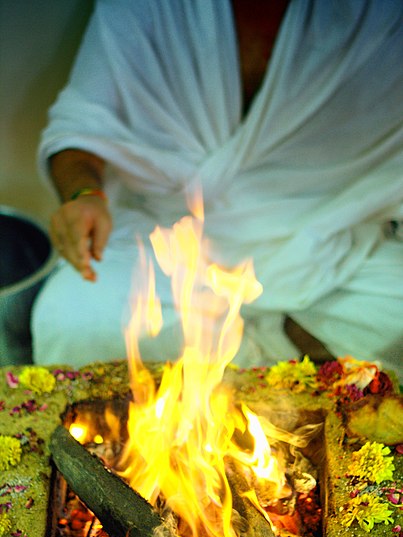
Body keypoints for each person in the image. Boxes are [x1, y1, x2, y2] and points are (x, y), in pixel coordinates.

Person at [33, 0, 403, 379]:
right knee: (71, 317)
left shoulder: (381, 15)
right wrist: (85, 196)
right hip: (165, 243)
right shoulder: (146, 7)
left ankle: (269, 351)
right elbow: (80, 127)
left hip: (325, 245)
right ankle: (282, 359)